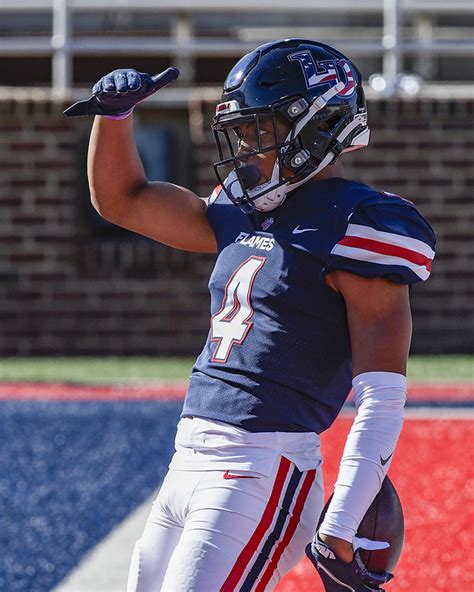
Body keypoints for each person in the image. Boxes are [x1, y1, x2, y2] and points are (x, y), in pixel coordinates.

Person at [65, 39, 435, 592]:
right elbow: (123, 200)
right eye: (240, 131)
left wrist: (340, 525)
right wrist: (116, 119)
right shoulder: (240, 213)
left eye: (260, 130)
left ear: (319, 125)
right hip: (189, 457)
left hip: (264, 463)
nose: (245, 146)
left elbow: (381, 396)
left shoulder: (360, 222)